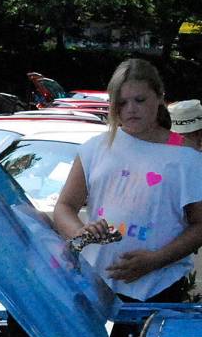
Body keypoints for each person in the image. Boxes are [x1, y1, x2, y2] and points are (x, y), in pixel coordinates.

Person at [54, 58, 202, 302]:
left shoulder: (187, 156)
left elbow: (199, 225)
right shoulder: (95, 148)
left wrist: (156, 260)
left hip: (159, 289)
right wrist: (82, 232)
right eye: (122, 102)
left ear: (159, 97)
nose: (131, 109)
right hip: (96, 285)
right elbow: (64, 206)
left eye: (139, 100)